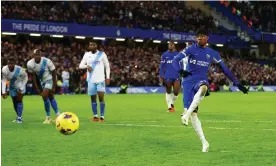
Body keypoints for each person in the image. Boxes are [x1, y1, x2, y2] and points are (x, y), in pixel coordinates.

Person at [172, 28, 248, 152]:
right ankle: (204, 142)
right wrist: (180, 71)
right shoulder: (191, 49)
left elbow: (225, 69)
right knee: (194, 115)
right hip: (187, 82)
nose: (199, 38)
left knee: (203, 88)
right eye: (197, 36)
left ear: (207, 38)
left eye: (202, 36)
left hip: (200, 80)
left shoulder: (212, 53)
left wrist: (237, 83)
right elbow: (176, 60)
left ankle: (186, 114)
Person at [79, 42, 110, 122]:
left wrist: (108, 77)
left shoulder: (102, 54)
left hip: (100, 80)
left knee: (101, 98)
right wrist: (87, 66)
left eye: (93, 45)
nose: (91, 46)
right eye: (90, 45)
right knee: (93, 99)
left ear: (97, 46)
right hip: (91, 80)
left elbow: (107, 66)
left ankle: (102, 117)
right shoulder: (86, 54)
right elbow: (80, 65)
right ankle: (95, 116)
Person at [27, 49, 60, 124]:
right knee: (51, 97)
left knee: (44, 96)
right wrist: (37, 88)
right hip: (42, 82)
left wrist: (54, 86)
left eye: (39, 54)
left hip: (50, 79)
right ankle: (58, 115)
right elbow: (33, 76)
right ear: (33, 55)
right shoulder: (30, 64)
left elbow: (54, 72)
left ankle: (48, 118)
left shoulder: (47, 61)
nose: (37, 56)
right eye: (36, 54)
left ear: (41, 55)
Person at [1, 58, 28, 123]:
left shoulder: (20, 70)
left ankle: (19, 118)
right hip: (12, 86)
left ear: (14, 64)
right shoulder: (4, 69)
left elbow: (26, 77)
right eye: (9, 63)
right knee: (14, 102)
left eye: (12, 63)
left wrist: (21, 88)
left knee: (19, 100)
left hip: (20, 85)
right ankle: (19, 116)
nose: (10, 65)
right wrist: (3, 91)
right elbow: (4, 80)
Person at [159, 41, 181, 112]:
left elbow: (181, 65)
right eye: (169, 45)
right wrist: (161, 76)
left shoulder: (178, 54)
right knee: (168, 91)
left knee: (176, 92)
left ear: (174, 46)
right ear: (168, 46)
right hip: (167, 76)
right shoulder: (164, 55)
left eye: (172, 45)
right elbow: (162, 67)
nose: (170, 46)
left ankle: (171, 103)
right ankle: (170, 107)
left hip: (176, 75)